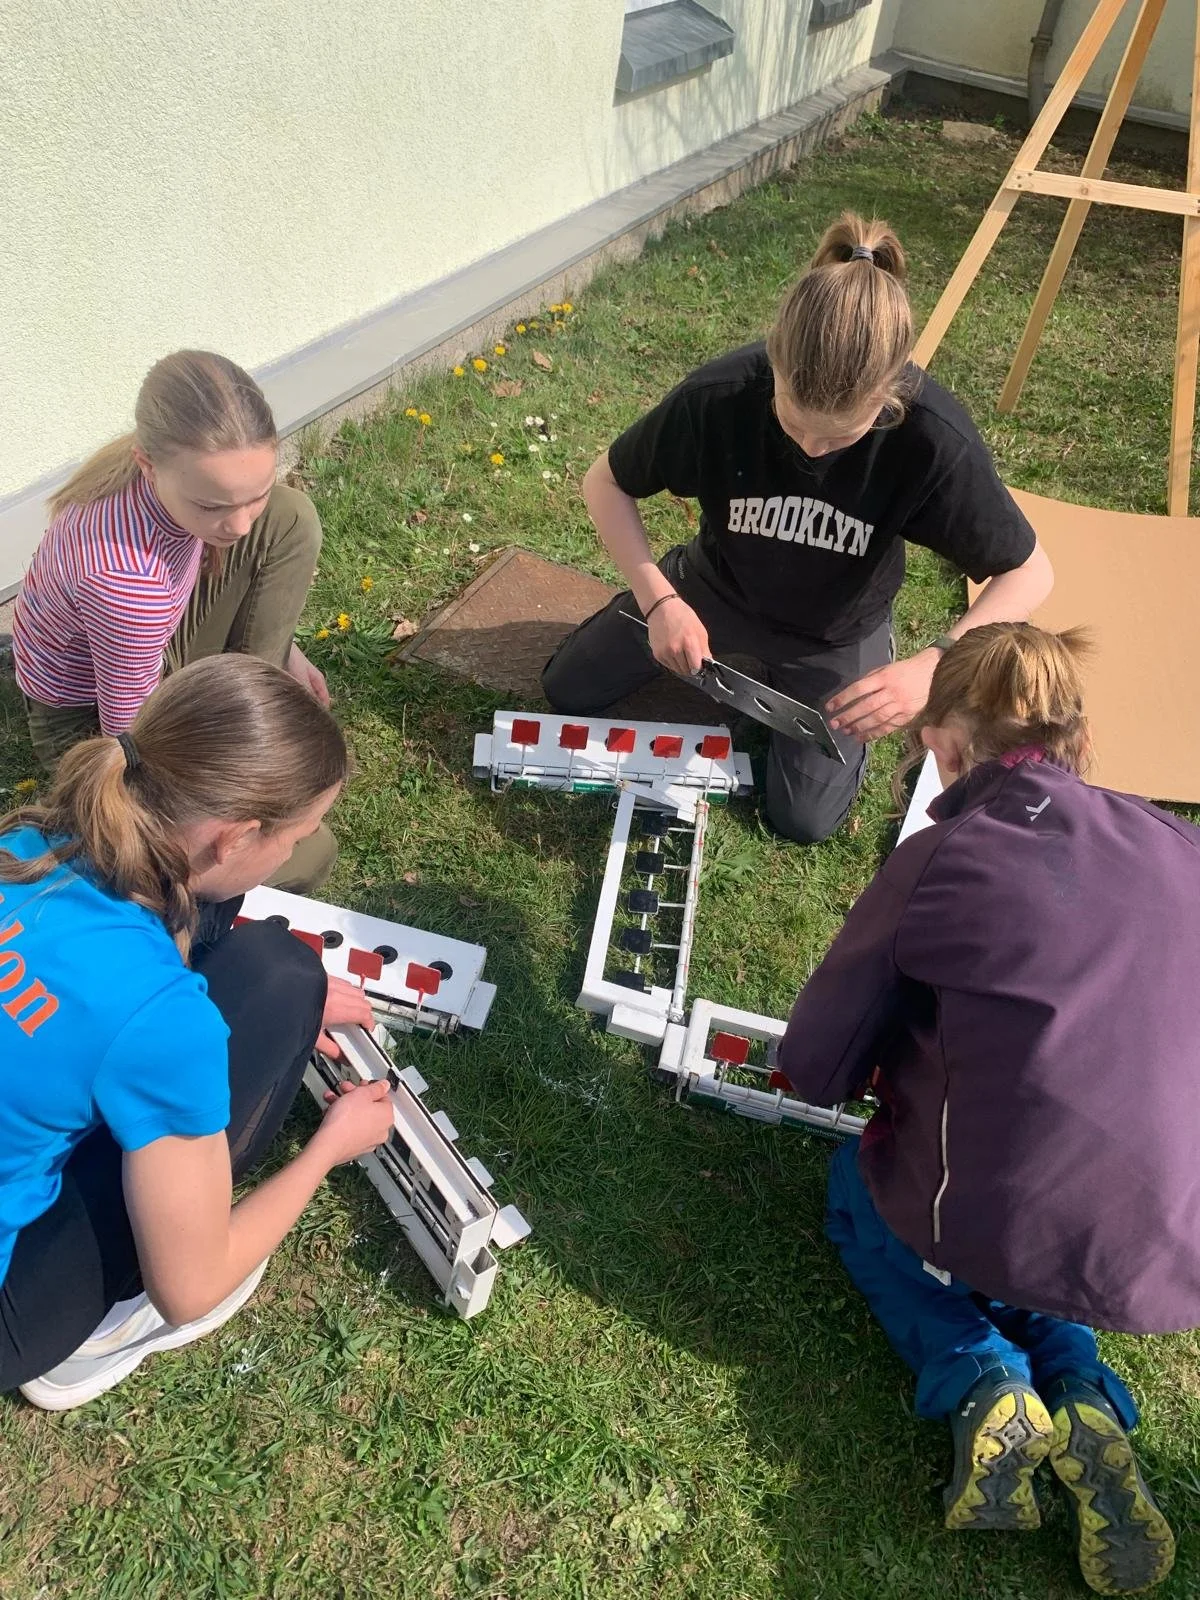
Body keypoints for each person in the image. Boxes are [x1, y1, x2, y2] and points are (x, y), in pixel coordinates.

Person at [777, 623, 1196, 1595]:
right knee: (1054, 1237)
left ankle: (983, 1377)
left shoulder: (945, 853)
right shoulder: (1182, 844)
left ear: (946, 741)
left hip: (1012, 1211)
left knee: (863, 1195)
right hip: (1170, 1235)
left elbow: (818, 1063)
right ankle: (1083, 1397)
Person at [542, 212, 1053, 844]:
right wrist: (661, 602)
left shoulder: (932, 437)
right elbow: (606, 482)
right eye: (791, 419)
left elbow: (1029, 572)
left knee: (802, 820)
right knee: (567, 689)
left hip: (835, 632)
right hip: (713, 588)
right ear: (774, 365)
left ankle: (854, 658)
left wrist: (935, 663)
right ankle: (686, 613)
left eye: (839, 436)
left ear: (890, 396)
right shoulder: (723, 394)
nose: (811, 449)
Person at [0, 654, 394, 1412]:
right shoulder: (162, 1020)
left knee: (260, 962)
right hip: (12, 1307)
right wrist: (328, 1148)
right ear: (235, 837)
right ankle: (99, 1333)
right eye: (298, 836)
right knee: (281, 972)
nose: (296, 853)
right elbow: (191, 1288)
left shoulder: (23, 847)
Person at [11, 349, 334, 892]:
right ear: (147, 464)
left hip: (142, 648)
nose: (238, 526)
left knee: (289, 515)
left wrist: (285, 646)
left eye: (253, 495)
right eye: (211, 506)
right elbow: (134, 749)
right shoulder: (127, 585)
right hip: (96, 717)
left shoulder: (163, 481)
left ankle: (253, 724)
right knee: (311, 853)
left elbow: (232, 521)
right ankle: (248, 749)